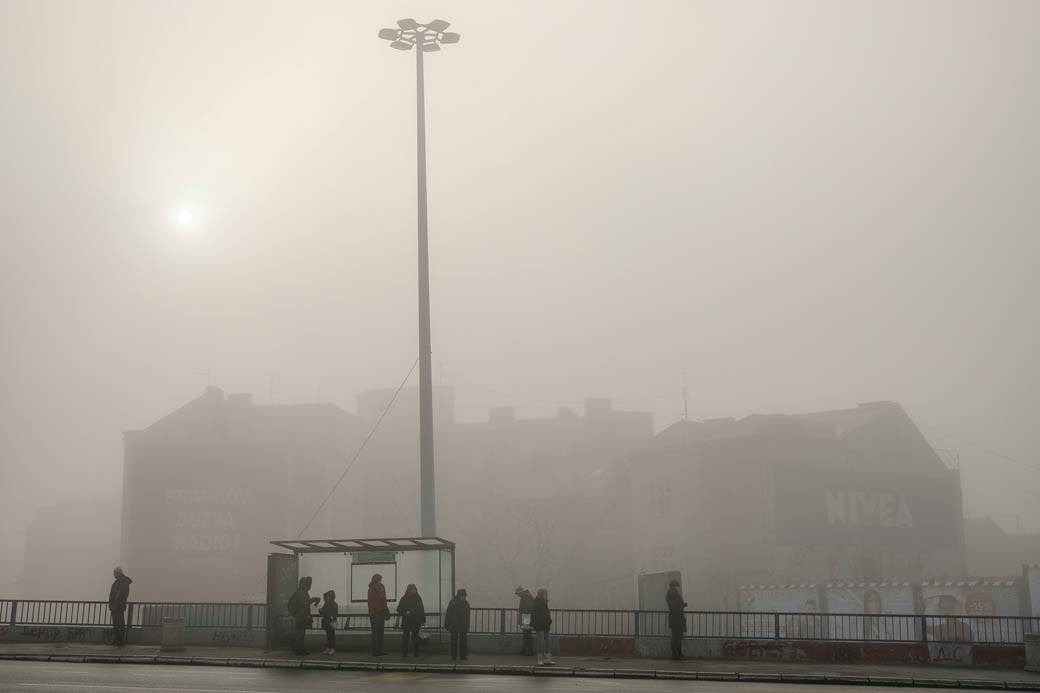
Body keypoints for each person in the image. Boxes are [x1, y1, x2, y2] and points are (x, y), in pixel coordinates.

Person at [287, 576, 319, 656]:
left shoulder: (301, 592)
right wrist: (314, 599)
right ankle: (300, 650)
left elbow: (305, 602)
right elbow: (304, 603)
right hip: (301, 616)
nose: (309, 586)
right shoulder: (301, 592)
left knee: (300, 633)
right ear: (304, 584)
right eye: (308, 584)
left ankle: (299, 649)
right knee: (300, 634)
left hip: (300, 615)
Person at [397, 583, 426, 657]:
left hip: (412, 620)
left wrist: (423, 620)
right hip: (410, 620)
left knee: (413, 637)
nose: (414, 590)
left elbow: (421, 609)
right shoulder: (411, 598)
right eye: (412, 589)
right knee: (407, 637)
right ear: (409, 590)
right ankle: (406, 653)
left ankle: (414, 653)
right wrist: (405, 612)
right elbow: (399, 609)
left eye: (414, 589)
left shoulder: (407, 598)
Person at [108, 567, 132, 648]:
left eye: (114, 573)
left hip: (117, 606)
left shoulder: (121, 582)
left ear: (118, 573)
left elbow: (119, 595)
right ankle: (118, 641)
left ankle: (118, 642)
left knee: (118, 625)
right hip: (118, 606)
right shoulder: (122, 581)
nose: (114, 574)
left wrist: (114, 604)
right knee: (119, 624)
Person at [444, 588, 471, 661]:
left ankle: (462, 656)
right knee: (454, 641)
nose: (464, 598)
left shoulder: (455, 602)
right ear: (459, 596)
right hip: (455, 625)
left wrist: (467, 625)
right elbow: (448, 614)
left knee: (463, 641)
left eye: (465, 596)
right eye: (463, 596)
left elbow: (467, 616)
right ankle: (455, 656)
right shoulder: (457, 603)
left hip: (460, 625)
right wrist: (447, 624)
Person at [367, 573, 389, 656]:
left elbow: (370, 603)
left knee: (376, 633)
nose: (380, 581)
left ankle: (376, 651)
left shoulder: (372, 589)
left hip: (376, 613)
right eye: (380, 580)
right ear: (377, 580)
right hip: (379, 612)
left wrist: (371, 613)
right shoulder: (378, 588)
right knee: (379, 633)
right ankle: (378, 650)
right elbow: (383, 600)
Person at [531, 588, 554, 666]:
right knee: (540, 642)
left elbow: (547, 613)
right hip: (539, 625)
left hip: (546, 625)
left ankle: (547, 659)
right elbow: (534, 615)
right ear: (541, 594)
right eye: (545, 594)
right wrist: (536, 624)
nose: (546, 595)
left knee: (548, 642)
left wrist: (549, 620)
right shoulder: (536, 603)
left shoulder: (545, 602)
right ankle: (540, 659)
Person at [665, 579, 687, 660]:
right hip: (676, 617)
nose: (676, 588)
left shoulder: (670, 594)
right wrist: (682, 605)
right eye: (675, 586)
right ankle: (677, 654)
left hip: (675, 617)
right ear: (673, 586)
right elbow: (675, 606)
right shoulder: (672, 594)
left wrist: (682, 605)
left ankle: (676, 654)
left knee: (676, 636)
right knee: (677, 637)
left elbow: (674, 605)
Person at [515, 587, 535, 656]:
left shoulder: (525, 597)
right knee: (527, 634)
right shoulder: (527, 595)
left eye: (517, 594)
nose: (518, 595)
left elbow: (528, 607)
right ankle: (527, 650)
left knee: (527, 634)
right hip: (528, 617)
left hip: (526, 617)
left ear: (520, 592)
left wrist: (523, 614)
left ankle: (528, 650)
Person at [320, 590, 338, 655]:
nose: (327, 597)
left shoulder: (329, 604)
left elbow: (334, 613)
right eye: (327, 596)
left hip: (330, 622)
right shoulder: (331, 604)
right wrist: (321, 611)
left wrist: (321, 611)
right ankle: (329, 648)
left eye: (328, 596)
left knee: (331, 635)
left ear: (331, 596)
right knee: (329, 635)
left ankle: (332, 648)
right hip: (328, 621)